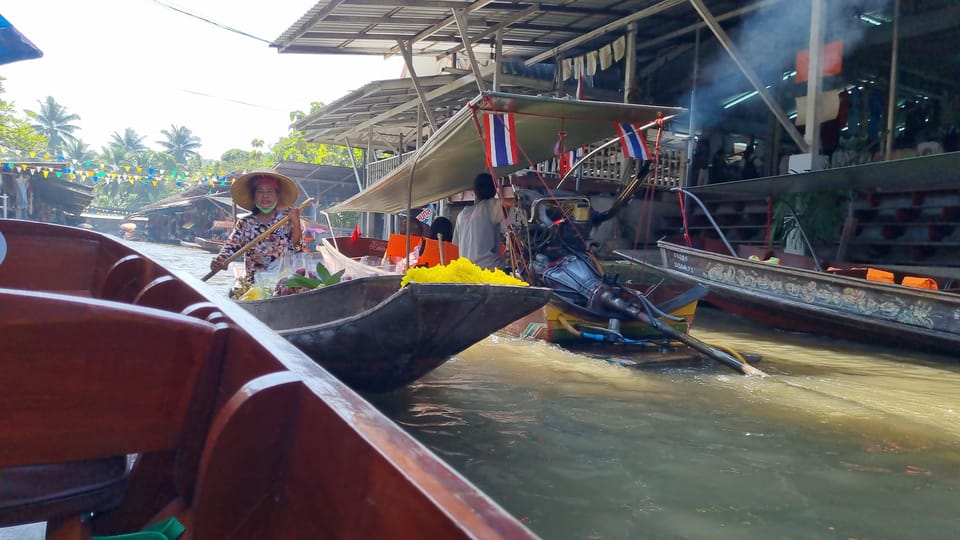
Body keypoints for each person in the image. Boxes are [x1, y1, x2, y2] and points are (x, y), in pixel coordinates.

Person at [210, 169, 303, 281]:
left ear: (277, 196)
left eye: (270, 192)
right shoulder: (245, 223)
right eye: (260, 192)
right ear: (253, 196)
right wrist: (220, 261)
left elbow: (298, 247)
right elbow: (230, 247)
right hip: (255, 284)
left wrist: (296, 222)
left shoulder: (287, 219)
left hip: (284, 282)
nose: (265, 196)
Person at [452, 173, 505, 270]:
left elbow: (456, 244)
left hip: (467, 270)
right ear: (494, 190)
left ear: (475, 192)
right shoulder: (489, 207)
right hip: (489, 269)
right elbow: (508, 203)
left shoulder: (461, 215)